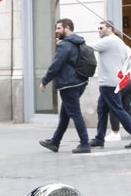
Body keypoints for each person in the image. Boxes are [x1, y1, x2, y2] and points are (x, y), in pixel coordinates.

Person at [38, 18, 94, 153]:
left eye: (58, 28)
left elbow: (56, 65)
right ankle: (55, 142)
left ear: (67, 28)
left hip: (69, 84)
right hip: (80, 81)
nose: (56, 31)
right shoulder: (78, 42)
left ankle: (85, 143)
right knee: (65, 115)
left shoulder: (65, 45)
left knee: (75, 114)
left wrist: (45, 80)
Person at [88, 20, 131, 149]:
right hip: (114, 81)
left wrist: (74, 41)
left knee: (118, 109)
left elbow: (89, 47)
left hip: (109, 82)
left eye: (101, 28)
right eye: (98, 28)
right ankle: (99, 138)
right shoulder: (120, 42)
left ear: (110, 28)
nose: (99, 30)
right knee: (102, 109)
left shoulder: (109, 40)